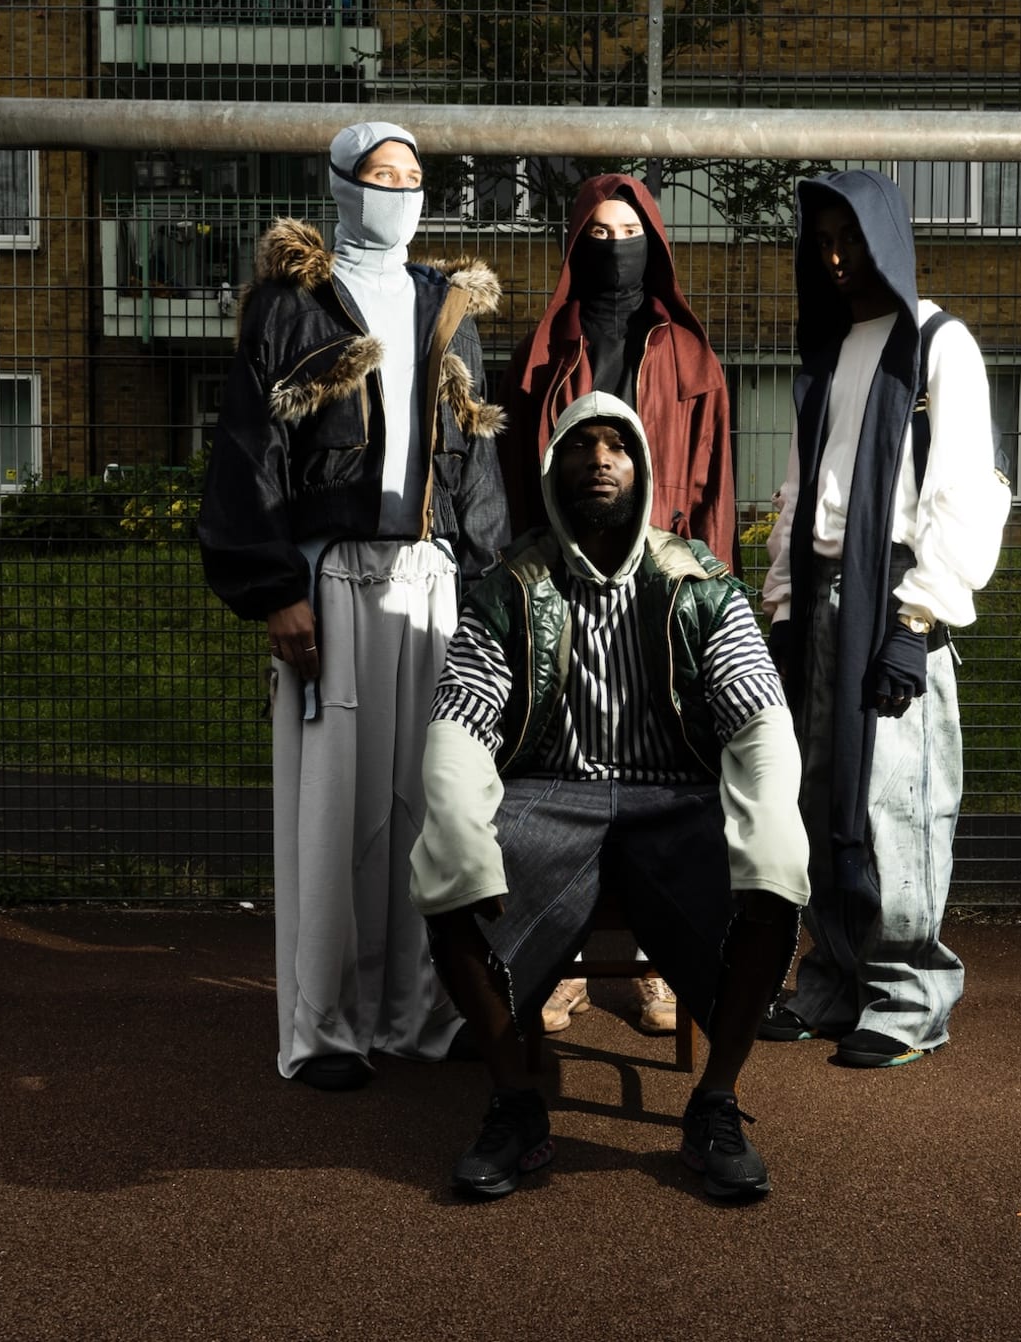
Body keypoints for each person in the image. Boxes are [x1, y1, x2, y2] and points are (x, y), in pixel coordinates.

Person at [409, 392, 809, 1201]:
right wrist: (455, 817)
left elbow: (757, 709)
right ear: (554, 468)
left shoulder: (698, 582)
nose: (599, 459)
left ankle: (716, 1104)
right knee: (445, 880)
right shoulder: (510, 586)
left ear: (643, 468)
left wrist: (770, 822)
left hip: (674, 799)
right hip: (554, 796)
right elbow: (462, 712)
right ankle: (516, 1103)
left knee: (772, 883)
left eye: (617, 445)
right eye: (582, 445)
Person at [197, 121, 510, 1092]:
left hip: (434, 582)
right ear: (340, 185)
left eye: (413, 177)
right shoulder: (288, 306)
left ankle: (418, 1015)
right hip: (331, 582)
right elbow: (249, 456)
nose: (397, 191)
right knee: (334, 814)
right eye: (378, 175)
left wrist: (491, 590)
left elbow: (478, 464)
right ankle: (324, 1029)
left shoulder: (446, 306)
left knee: (430, 804)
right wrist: (276, 589)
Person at [758, 168, 1005, 1070]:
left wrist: (921, 619)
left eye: (852, 239)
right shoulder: (824, 354)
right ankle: (831, 980)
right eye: (820, 242)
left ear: (888, 241)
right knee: (818, 797)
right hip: (822, 603)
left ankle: (907, 996)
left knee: (899, 802)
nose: (835, 258)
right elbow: (797, 494)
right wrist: (783, 602)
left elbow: (967, 493)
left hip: (895, 605)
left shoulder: (939, 344)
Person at [498, 172, 735, 1036]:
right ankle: (557, 959)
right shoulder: (545, 349)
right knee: (566, 766)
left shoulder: (689, 354)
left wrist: (712, 593)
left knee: (657, 769)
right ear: (572, 246)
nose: (612, 247)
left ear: (655, 241)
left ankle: (646, 965)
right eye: (593, 234)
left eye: (626, 230)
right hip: (564, 583)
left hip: (664, 588)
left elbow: (712, 489)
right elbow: (524, 483)